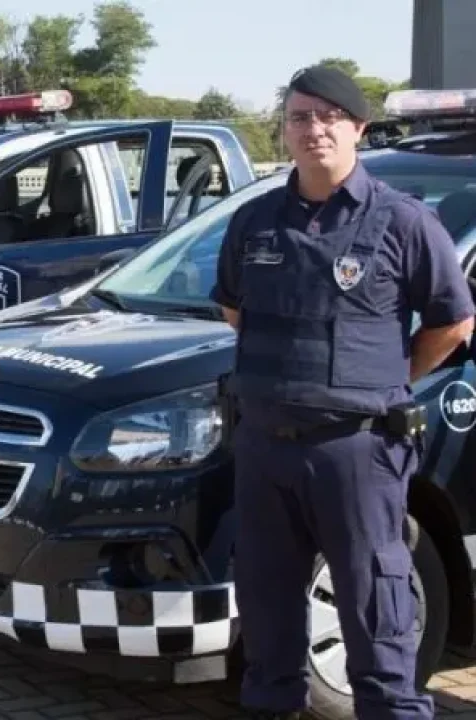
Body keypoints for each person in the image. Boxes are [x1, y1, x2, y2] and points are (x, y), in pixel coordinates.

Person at [211, 65, 475, 719]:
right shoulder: (253, 221)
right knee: (268, 621)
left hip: (356, 451)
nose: (314, 129)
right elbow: (234, 312)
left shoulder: (403, 222)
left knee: (375, 617)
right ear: (286, 129)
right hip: (265, 449)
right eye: (300, 117)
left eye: (330, 116)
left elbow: (453, 321)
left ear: (358, 127)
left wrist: (390, 380)